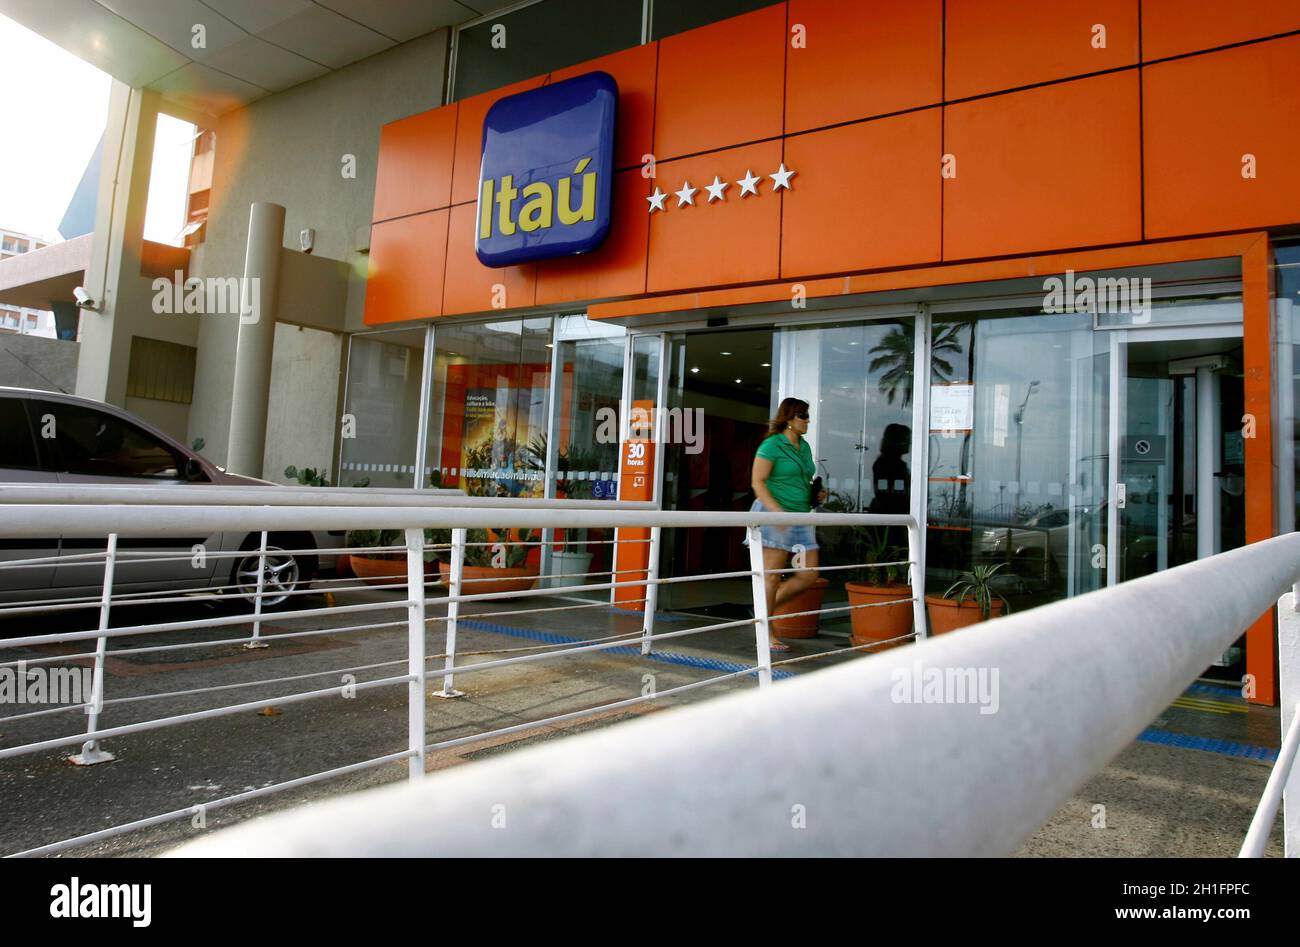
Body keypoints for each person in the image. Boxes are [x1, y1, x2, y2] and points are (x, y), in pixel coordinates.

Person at [748, 397, 825, 652]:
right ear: (790, 419)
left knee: (808, 574)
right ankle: (766, 632)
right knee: (771, 578)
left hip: (800, 516)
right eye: (803, 416)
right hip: (774, 515)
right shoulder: (772, 445)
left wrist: (816, 495)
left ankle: (762, 612)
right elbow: (758, 482)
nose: (807, 421)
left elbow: (803, 479)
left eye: (807, 416)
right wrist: (776, 512)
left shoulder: (804, 447)